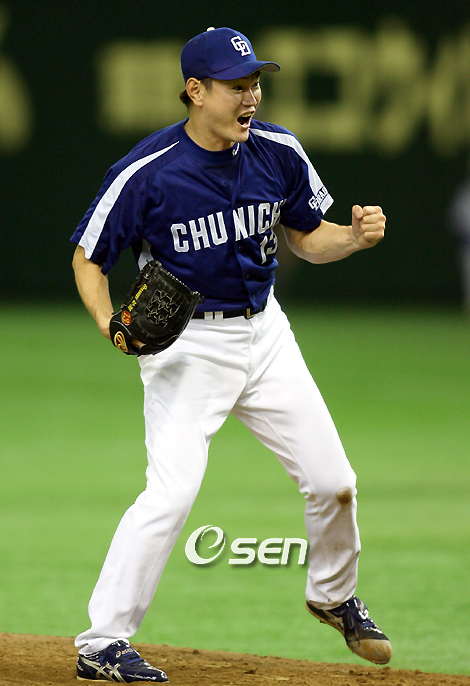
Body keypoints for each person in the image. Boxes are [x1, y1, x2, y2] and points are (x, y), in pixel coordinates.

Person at [71, 26, 391, 683]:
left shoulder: (278, 150)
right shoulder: (148, 171)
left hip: (267, 334)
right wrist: (107, 322)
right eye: (236, 86)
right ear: (196, 90)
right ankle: (101, 644)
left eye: (255, 84)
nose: (251, 97)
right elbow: (88, 257)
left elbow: (306, 237)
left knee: (335, 483)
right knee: (172, 495)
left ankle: (333, 596)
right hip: (187, 344)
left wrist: (352, 238)